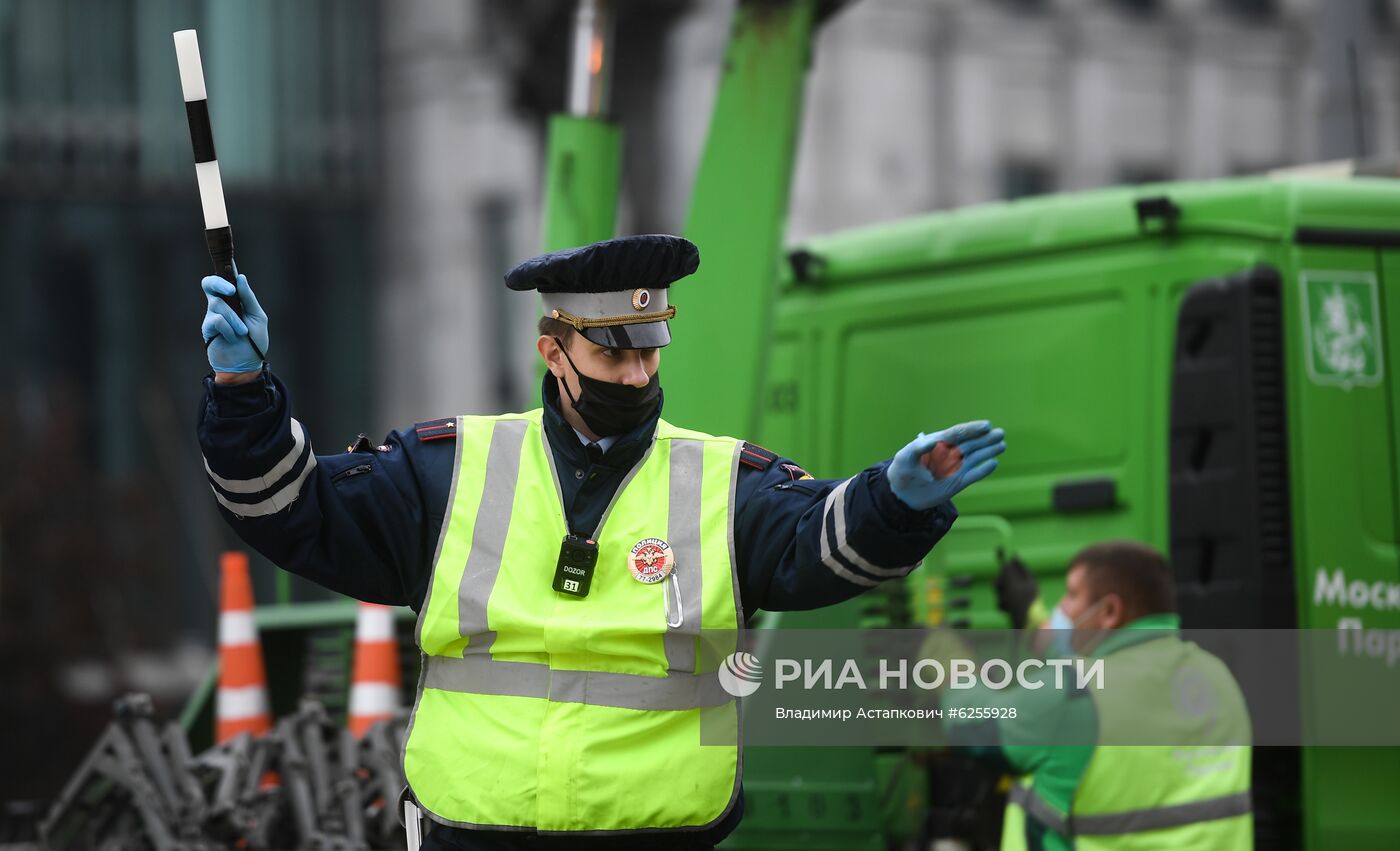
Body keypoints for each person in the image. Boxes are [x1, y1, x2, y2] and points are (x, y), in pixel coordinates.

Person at [196, 234, 1007, 850]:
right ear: (554, 350)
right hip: (471, 829)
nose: (637, 374)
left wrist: (891, 503)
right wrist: (242, 392)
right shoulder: (446, 470)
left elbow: (821, 548)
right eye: (612, 352)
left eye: (650, 349)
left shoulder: (724, 480)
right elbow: (285, 507)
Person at [946, 541, 1253, 851]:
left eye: (1071, 594)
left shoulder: (1074, 692)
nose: (1062, 608)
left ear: (1109, 611)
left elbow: (974, 724)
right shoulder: (1218, 677)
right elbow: (1108, 686)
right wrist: (1034, 623)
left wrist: (950, 663)